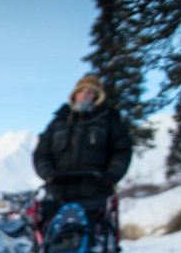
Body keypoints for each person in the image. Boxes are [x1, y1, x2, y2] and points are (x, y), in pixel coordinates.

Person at [33, 75, 132, 208]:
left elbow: (122, 151)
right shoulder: (58, 121)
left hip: (96, 194)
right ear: (74, 95)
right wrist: (48, 174)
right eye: (81, 91)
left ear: (97, 96)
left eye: (89, 92)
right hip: (58, 193)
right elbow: (41, 153)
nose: (84, 95)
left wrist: (111, 175)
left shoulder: (109, 119)